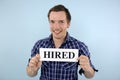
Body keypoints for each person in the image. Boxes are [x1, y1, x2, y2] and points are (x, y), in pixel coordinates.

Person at [26, 4, 97, 80]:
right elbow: (30, 73)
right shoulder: (39, 45)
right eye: (52, 22)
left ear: (68, 23)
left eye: (61, 22)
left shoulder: (79, 46)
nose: (56, 27)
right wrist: (32, 69)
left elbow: (90, 75)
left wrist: (88, 68)